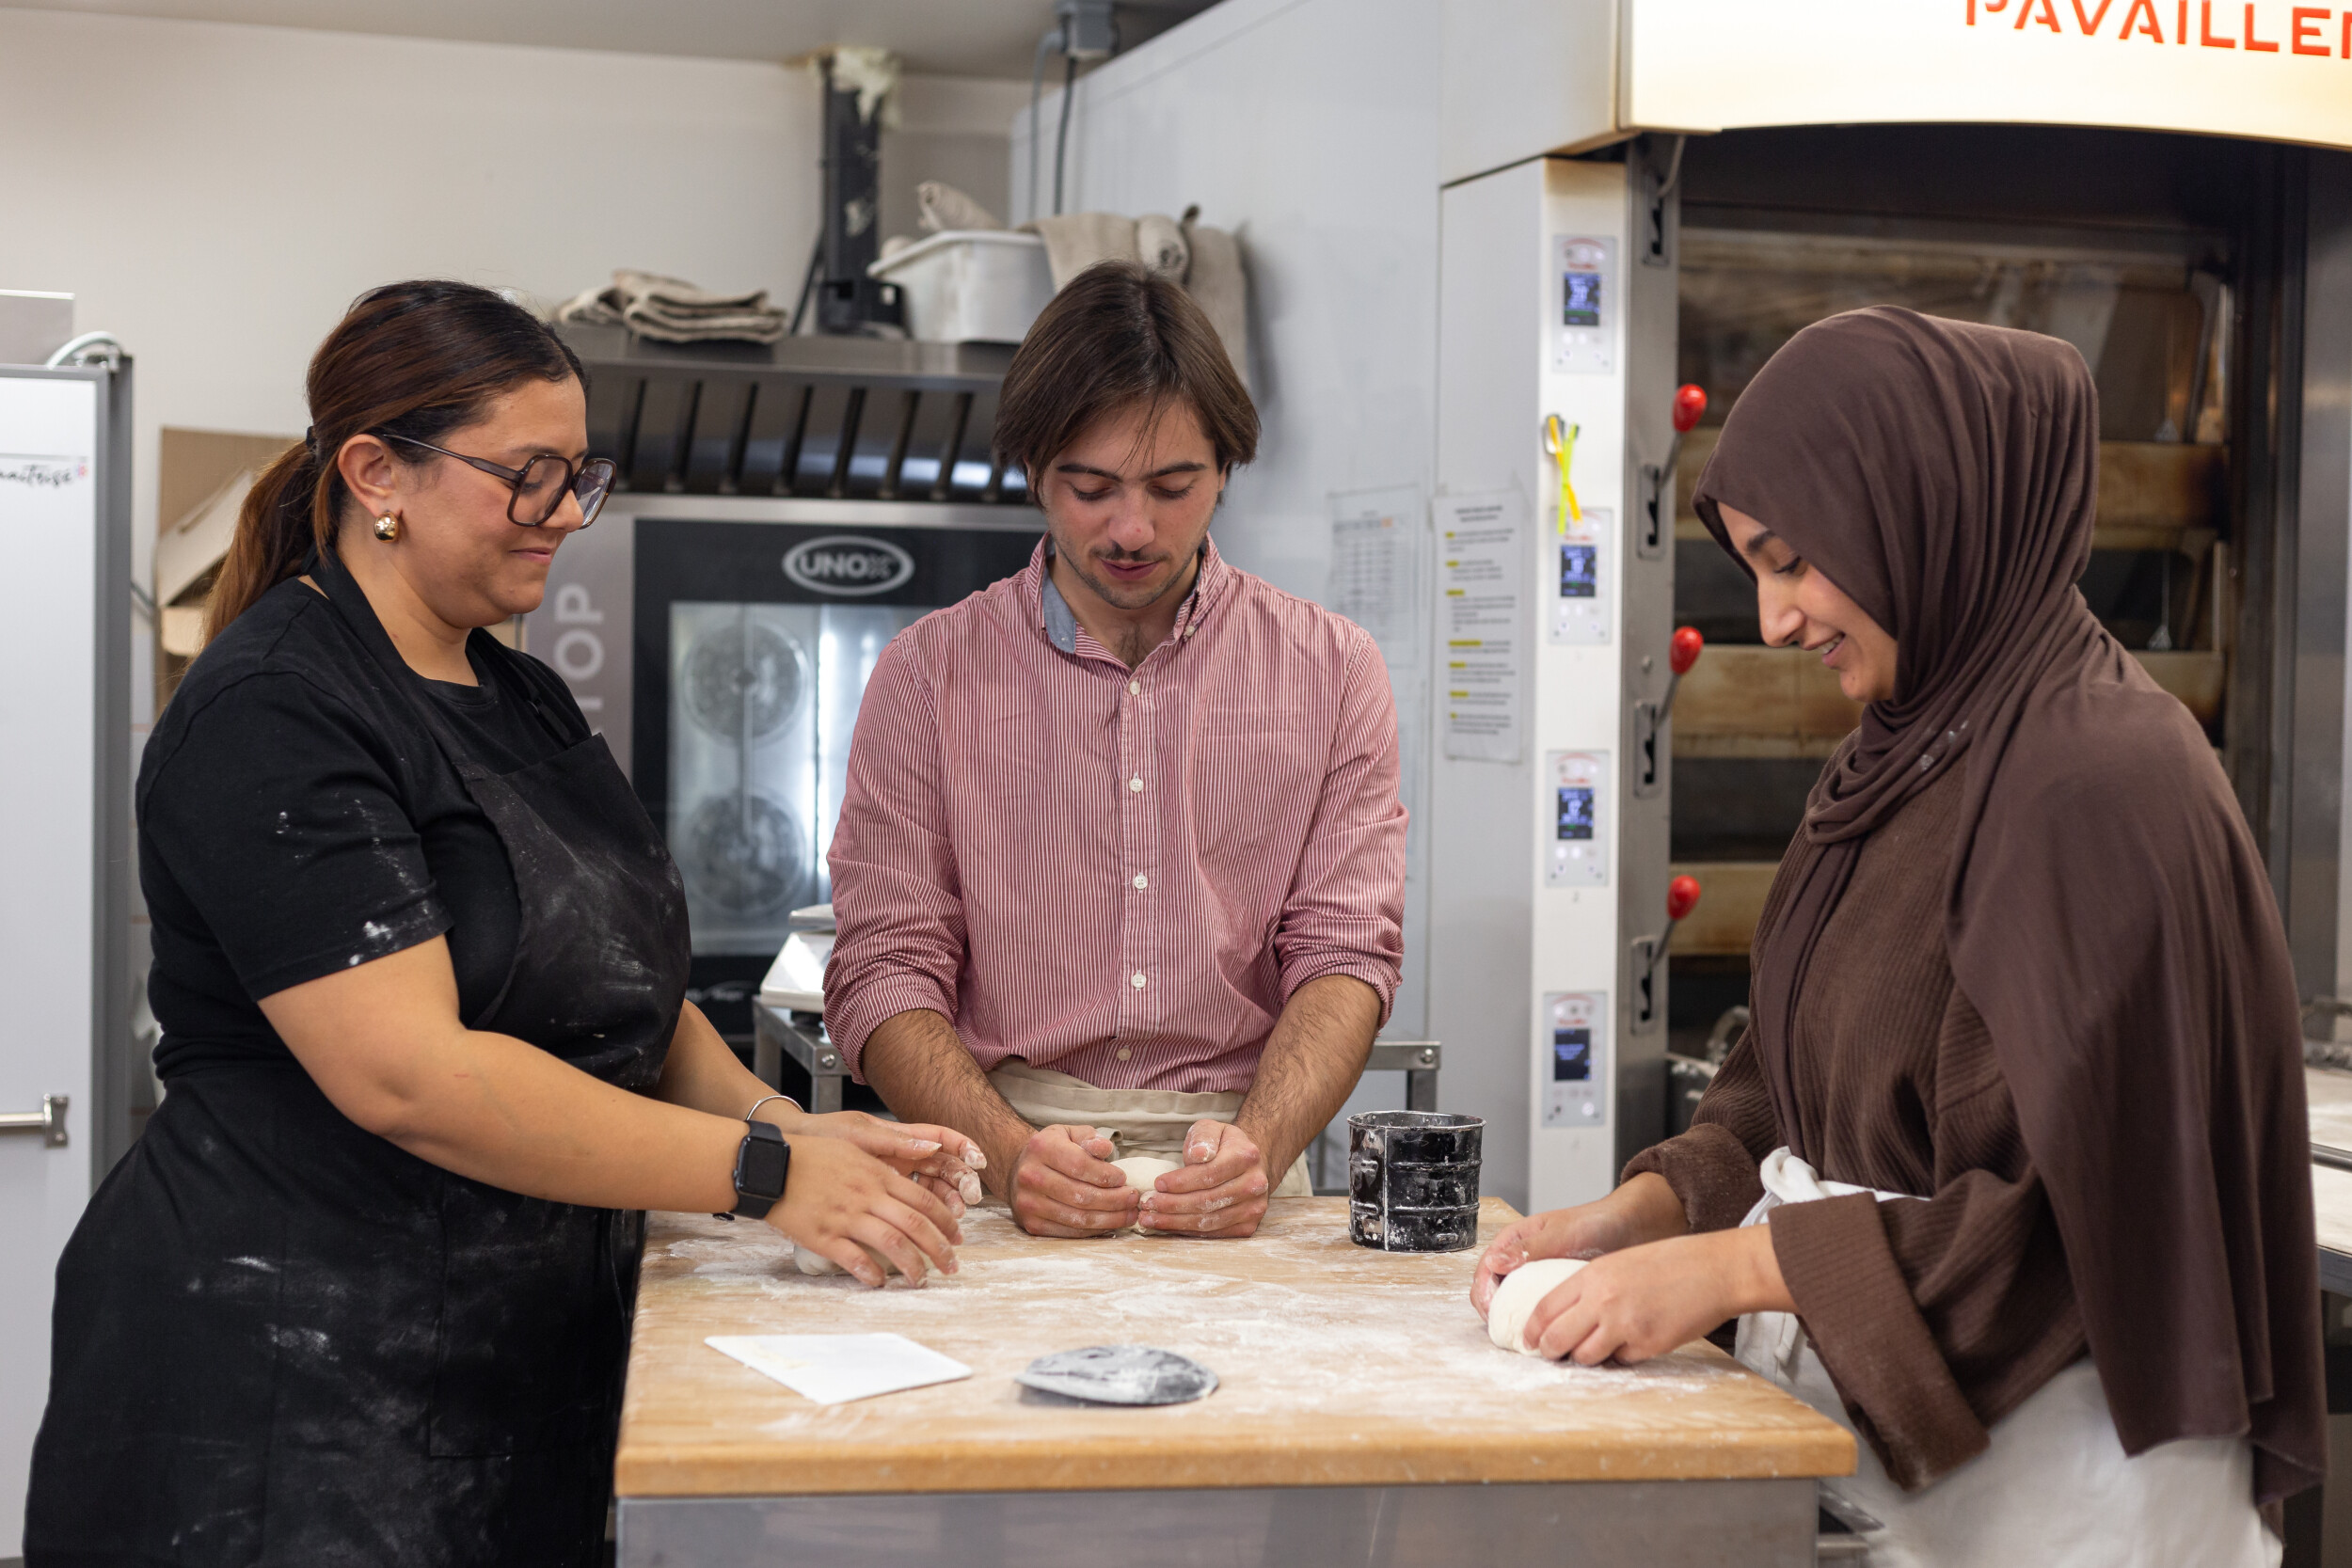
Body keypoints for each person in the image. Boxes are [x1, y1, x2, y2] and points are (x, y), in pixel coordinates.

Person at [26, 281, 983, 1567]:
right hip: (285, 1392)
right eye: (528, 477)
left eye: (578, 474)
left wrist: (799, 1128)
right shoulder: (274, 710)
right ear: (379, 472)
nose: (569, 516)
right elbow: (410, 1073)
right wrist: (767, 1178)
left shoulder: (520, 692)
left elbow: (627, 1003)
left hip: (508, 1365)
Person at [1470, 308, 2321, 1565]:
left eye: (1797, 561)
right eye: (1754, 568)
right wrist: (1642, 1212)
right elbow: (1788, 1081)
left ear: (1923, 509)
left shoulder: (2097, 784)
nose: (1773, 619)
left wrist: (1726, 1273)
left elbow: (2067, 1226)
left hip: (2069, 1488)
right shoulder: (1910, 750)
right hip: (1913, 1459)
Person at [823, 260, 1407, 1240]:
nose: (1132, 528)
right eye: (1089, 488)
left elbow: (1345, 950)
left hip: (1235, 1159)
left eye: (1173, 486)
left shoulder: (1332, 669)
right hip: (992, 1159)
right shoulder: (927, 676)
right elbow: (883, 962)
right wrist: (1006, 1151)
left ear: (1225, 469)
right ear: (1031, 474)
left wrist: (1258, 1142)